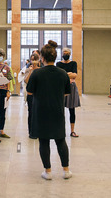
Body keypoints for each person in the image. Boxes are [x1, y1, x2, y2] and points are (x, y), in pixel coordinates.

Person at [27, 40, 72, 180]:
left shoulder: (37, 73)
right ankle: (66, 170)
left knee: (44, 141)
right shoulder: (63, 73)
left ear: (42, 58)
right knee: (60, 140)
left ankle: (48, 171)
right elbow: (66, 93)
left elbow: (29, 92)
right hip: (57, 110)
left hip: (41, 111)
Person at [56, 48, 81, 137]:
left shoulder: (73, 63)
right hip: (61, 88)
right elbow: (57, 76)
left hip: (71, 88)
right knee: (60, 110)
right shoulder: (58, 64)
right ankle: (59, 130)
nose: (65, 54)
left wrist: (64, 74)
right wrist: (69, 74)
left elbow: (75, 75)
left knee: (72, 110)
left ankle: (72, 131)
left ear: (70, 54)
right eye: (64, 53)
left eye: (67, 53)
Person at [0, 48, 13, 138]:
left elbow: (9, 80)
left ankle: (1, 131)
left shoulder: (7, 67)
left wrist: (8, 91)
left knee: (2, 112)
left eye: (0, 56)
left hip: (3, 91)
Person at [24, 53, 40, 138]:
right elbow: (26, 81)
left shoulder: (41, 70)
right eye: (32, 59)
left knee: (39, 113)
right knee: (31, 112)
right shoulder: (28, 69)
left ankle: (38, 131)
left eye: (35, 59)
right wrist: (31, 71)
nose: (33, 61)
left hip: (39, 94)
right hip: (30, 94)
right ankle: (31, 132)